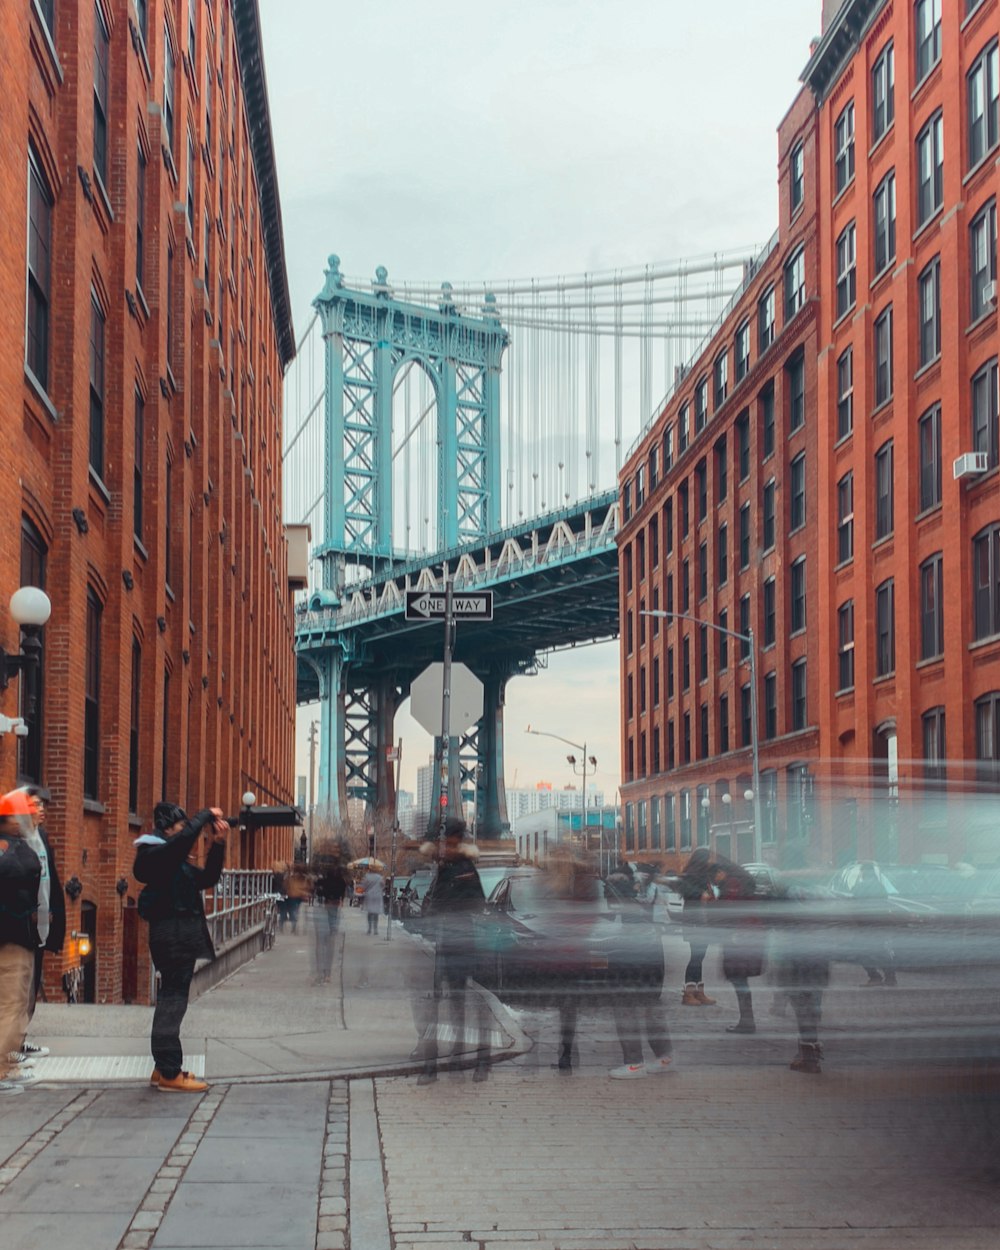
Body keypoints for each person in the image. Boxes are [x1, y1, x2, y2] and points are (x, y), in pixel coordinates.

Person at [133, 802, 228, 1093]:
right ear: (166, 828)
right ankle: (170, 1071)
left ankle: (163, 1068)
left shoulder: (175, 862)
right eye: (180, 827)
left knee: (172, 1002)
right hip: (171, 939)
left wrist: (218, 845)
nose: (187, 834)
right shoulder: (152, 853)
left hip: (181, 939)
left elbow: (208, 878)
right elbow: (182, 843)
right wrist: (203, 818)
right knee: (172, 1004)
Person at [416, 819, 490, 1083]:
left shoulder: (465, 868)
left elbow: (478, 903)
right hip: (444, 942)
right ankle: (433, 1063)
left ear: (456, 839)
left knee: (458, 1001)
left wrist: (451, 912)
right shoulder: (443, 868)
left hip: (462, 941)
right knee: (436, 1002)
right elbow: (434, 902)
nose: (443, 844)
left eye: (447, 839)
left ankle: (455, 1057)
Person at [6, 787, 63, 1069]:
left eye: (41, 806)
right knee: (14, 991)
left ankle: (18, 1042)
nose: (39, 810)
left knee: (28, 987)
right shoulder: (15, 842)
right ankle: (8, 1054)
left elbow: (48, 879)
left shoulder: (41, 838)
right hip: (17, 927)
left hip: (37, 925)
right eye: (34, 806)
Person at [604, 859, 673, 1079]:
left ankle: (634, 1063)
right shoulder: (654, 890)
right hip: (653, 953)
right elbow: (664, 920)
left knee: (624, 1005)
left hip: (628, 953)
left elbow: (611, 922)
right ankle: (664, 1057)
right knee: (650, 1004)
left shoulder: (621, 895)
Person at [0, 790, 42, 1094]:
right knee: (12, 1004)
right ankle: (3, 1069)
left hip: (11, 936)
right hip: (13, 939)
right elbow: (30, 869)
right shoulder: (16, 851)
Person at [711, 855, 765, 1035]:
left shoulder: (732, 884)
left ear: (722, 871)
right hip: (748, 936)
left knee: (739, 978)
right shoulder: (741, 881)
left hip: (739, 938)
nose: (715, 877)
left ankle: (747, 1021)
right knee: (740, 979)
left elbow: (728, 911)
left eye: (716, 873)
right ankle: (746, 1020)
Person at [674, 848, 718, 1006]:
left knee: (700, 957)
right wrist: (701, 895)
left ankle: (699, 992)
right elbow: (686, 891)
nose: (709, 862)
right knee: (696, 957)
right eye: (707, 859)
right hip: (695, 921)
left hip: (703, 920)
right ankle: (688, 993)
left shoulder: (702, 875)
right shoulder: (691, 875)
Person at [849, 862, 897, 986]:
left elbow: (852, 904)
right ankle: (889, 977)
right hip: (877, 924)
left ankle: (876, 976)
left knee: (861, 952)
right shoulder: (880, 886)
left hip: (865, 925)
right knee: (879, 951)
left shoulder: (859, 887)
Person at [311, 859, 347, 984]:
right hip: (334, 906)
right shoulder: (341, 881)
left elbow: (317, 890)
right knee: (330, 940)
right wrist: (340, 900)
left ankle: (321, 973)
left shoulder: (323, 881)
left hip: (324, 907)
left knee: (321, 943)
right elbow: (343, 893)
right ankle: (328, 974)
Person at [362, 866, 384, 935]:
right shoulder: (380, 877)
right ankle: (375, 929)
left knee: (370, 912)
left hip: (369, 896)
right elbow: (382, 885)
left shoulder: (367, 876)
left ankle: (369, 929)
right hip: (377, 896)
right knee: (376, 913)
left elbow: (364, 886)